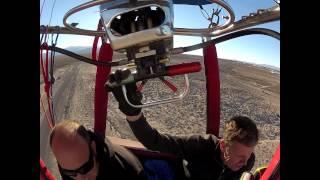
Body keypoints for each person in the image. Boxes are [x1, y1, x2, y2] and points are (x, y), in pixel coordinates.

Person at [107, 69, 259, 180]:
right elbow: (154, 141)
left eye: (247, 156)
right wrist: (133, 113)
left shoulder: (247, 161)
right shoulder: (200, 146)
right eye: (240, 157)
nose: (244, 163)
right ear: (223, 145)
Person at [49, 120, 148, 180]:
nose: (81, 179)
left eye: (86, 168)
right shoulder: (69, 165)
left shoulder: (126, 171)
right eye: (70, 173)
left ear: (93, 147)